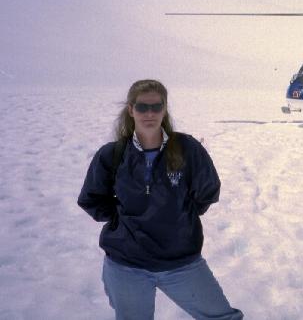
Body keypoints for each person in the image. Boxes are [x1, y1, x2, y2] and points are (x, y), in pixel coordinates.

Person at [78, 80, 243, 320]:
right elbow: (92, 199)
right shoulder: (112, 154)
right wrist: (122, 220)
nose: (150, 114)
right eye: (143, 107)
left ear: (165, 109)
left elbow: (207, 191)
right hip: (126, 265)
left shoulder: (187, 148)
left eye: (157, 107)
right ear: (131, 109)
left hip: (181, 262)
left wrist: (179, 216)